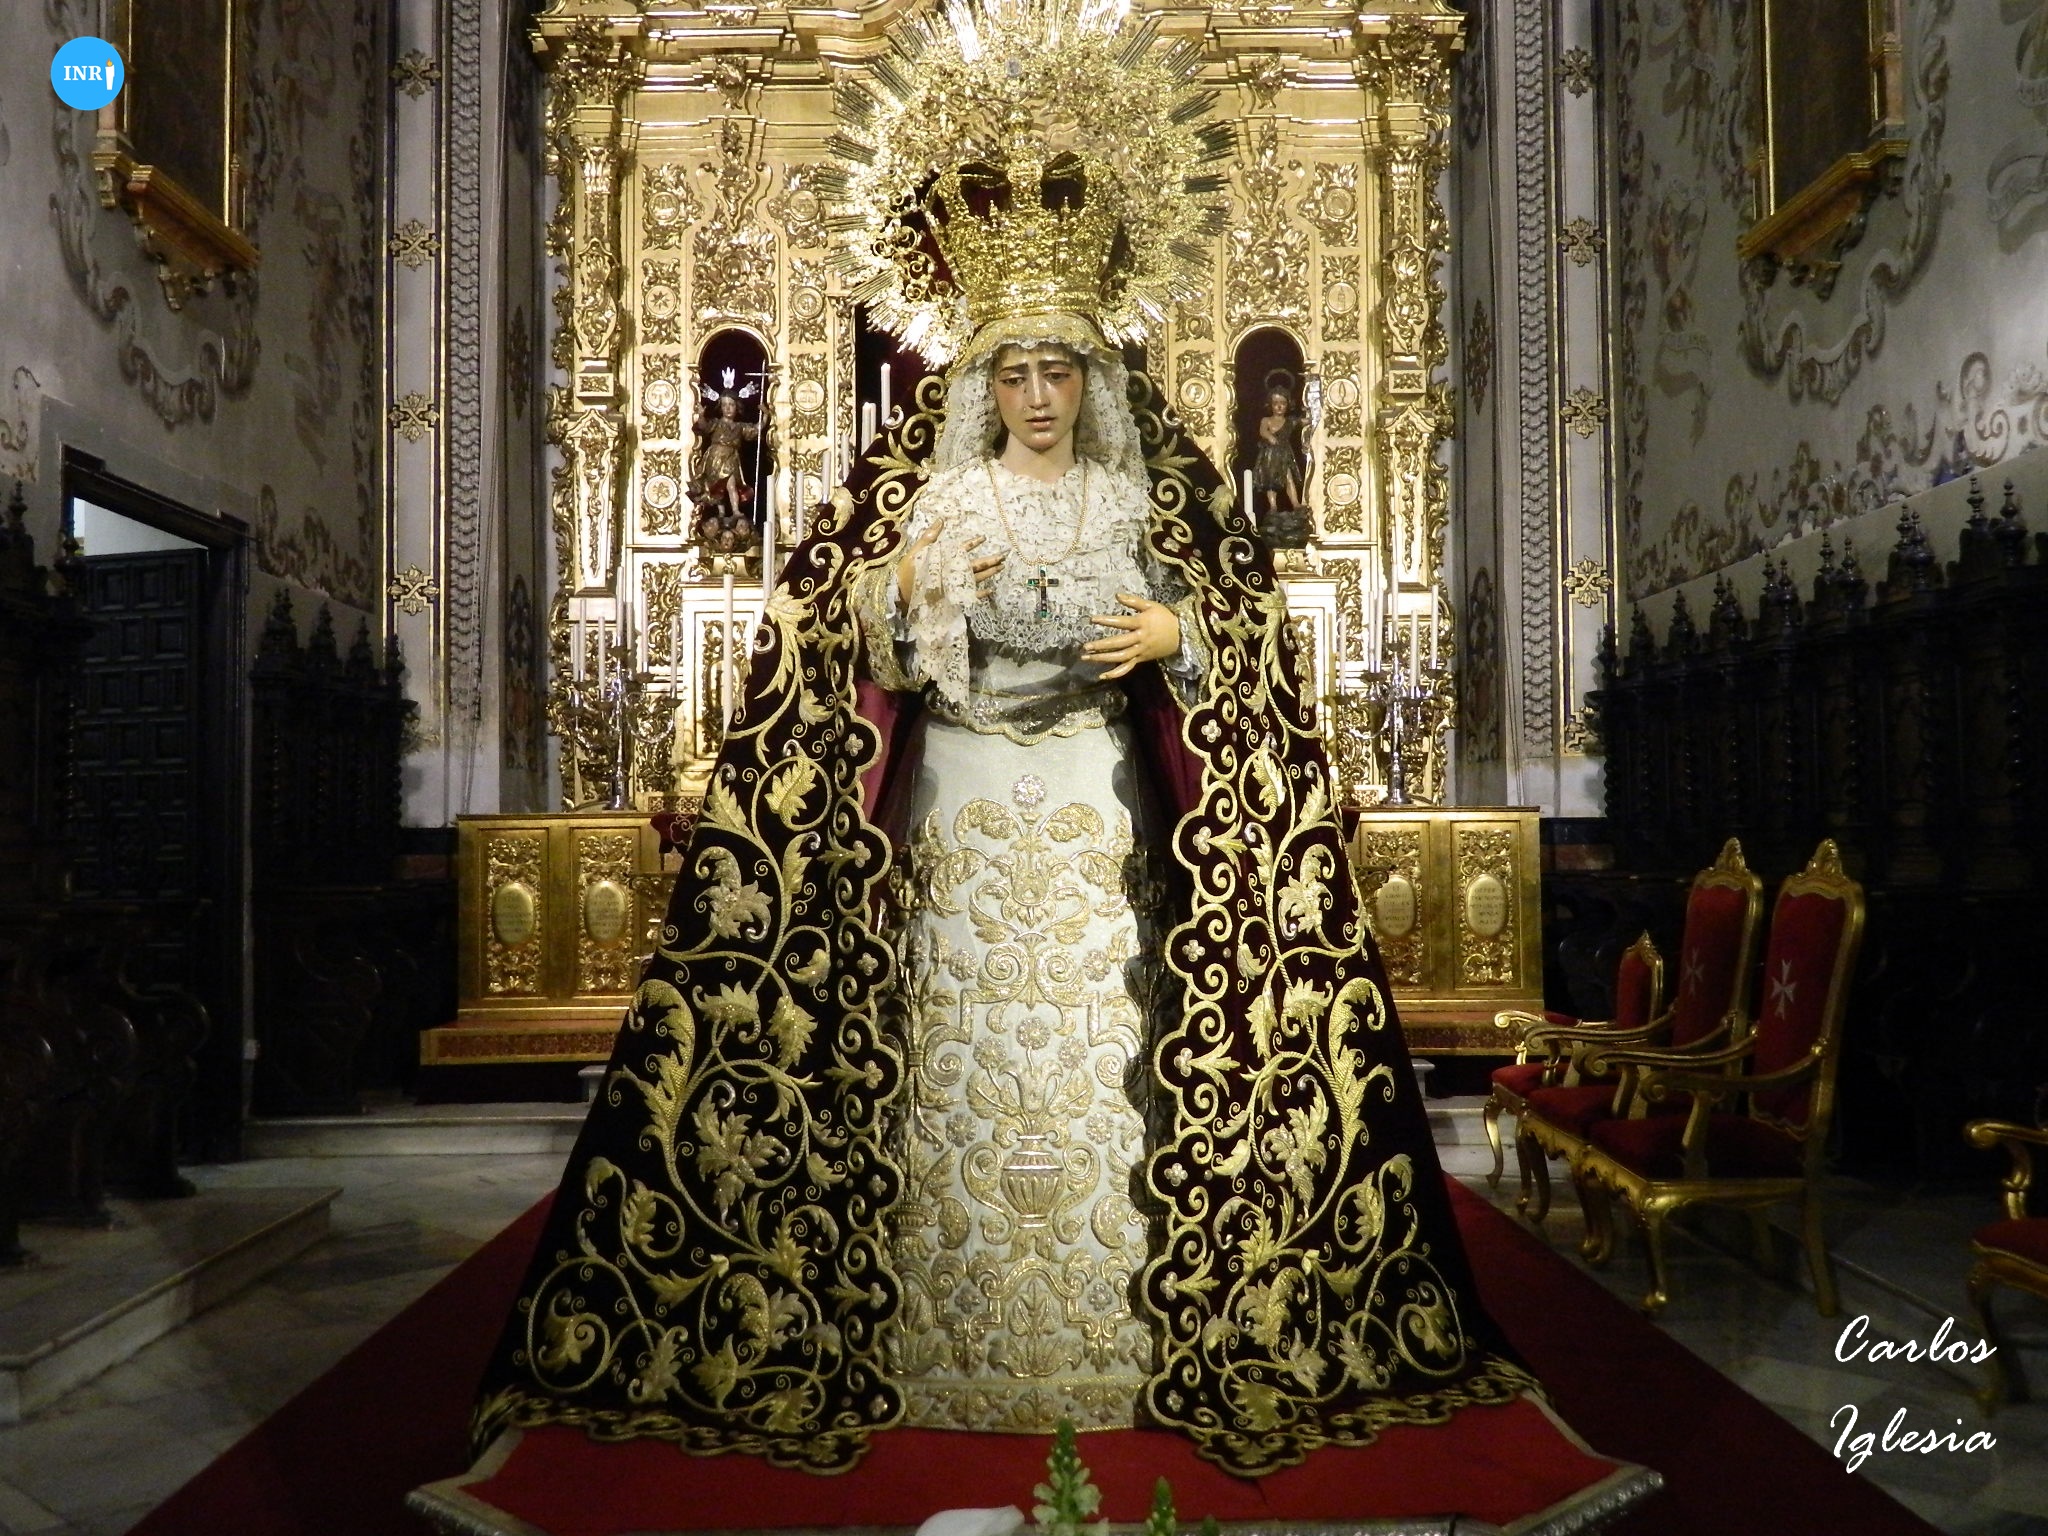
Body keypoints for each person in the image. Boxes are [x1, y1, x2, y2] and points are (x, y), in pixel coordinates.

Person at [473, 0, 1527, 1478]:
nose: (1037, 395)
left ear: (1094, 372)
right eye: (1014, 372)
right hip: (963, 808)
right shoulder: (930, 497)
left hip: (1098, 802)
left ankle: (1121, 1324)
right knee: (962, 1053)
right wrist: (906, 597)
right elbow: (845, 647)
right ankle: (943, 1332)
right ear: (980, 379)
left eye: (1059, 370)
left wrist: (1179, 639)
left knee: (1103, 1050)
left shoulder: (1146, 496)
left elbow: (1245, 642)